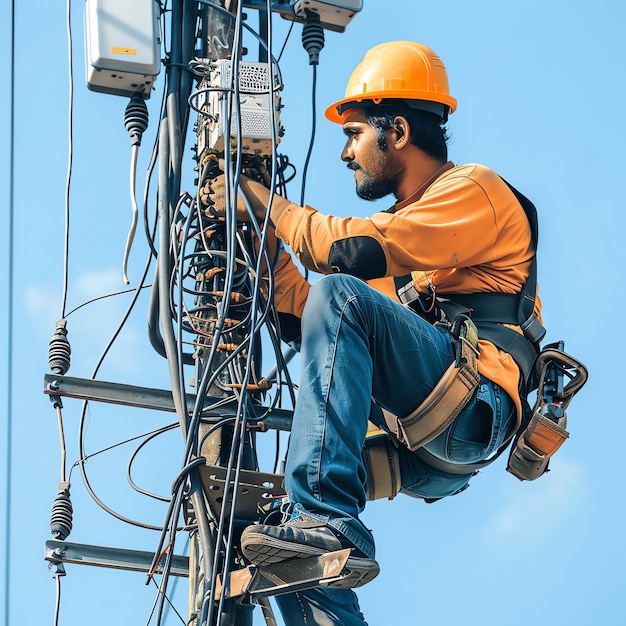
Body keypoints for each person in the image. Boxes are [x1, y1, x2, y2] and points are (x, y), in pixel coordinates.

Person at [212, 40, 541, 625]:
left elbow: (347, 253)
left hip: (470, 406)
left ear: (398, 131)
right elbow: (305, 317)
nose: (346, 153)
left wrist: (262, 201)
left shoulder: (474, 192)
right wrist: (256, 244)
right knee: (289, 547)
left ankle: (327, 519)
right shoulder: (409, 251)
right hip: (422, 444)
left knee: (343, 297)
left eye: (355, 133)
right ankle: (318, 549)